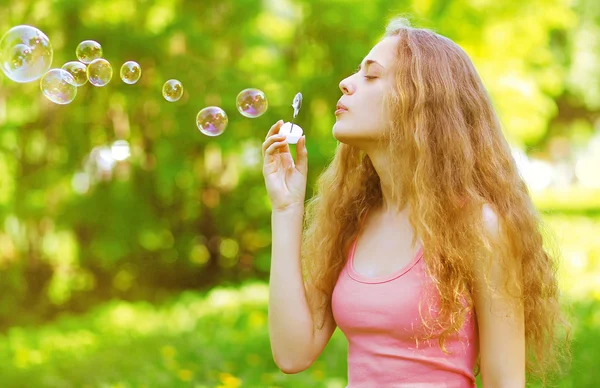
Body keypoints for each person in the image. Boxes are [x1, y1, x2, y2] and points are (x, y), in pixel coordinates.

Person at [262, 16, 571, 387]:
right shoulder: (353, 221)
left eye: (371, 76)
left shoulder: (479, 227)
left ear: (421, 105)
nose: (345, 83)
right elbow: (292, 353)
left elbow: (504, 381)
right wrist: (285, 208)